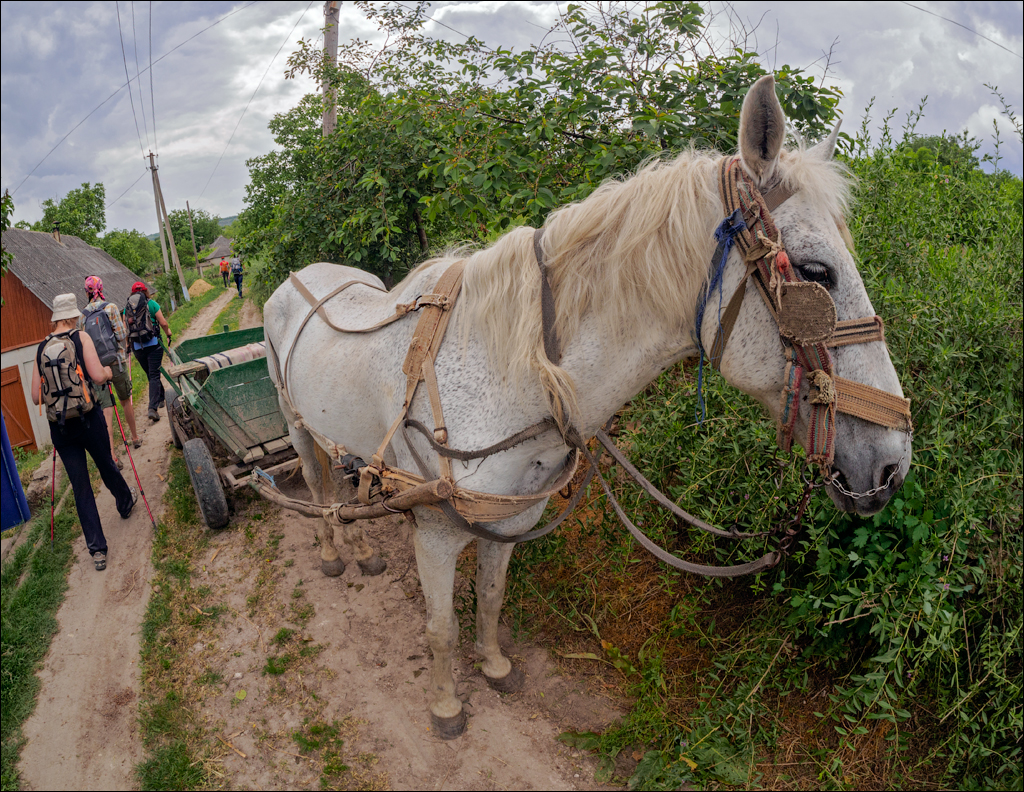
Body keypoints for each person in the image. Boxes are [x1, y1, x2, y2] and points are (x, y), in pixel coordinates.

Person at [32, 294, 137, 572]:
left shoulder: (41, 347)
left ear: (56, 317)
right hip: (88, 417)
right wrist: (103, 371)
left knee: (80, 487)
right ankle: (125, 503)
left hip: (61, 428)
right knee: (105, 465)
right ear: (72, 316)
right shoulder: (81, 338)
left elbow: (34, 396)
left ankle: (97, 550)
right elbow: (98, 375)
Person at [78, 276, 141, 467]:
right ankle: (135, 437)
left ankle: (112, 453)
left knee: (106, 409)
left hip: (97, 368)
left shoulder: (82, 316)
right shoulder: (111, 307)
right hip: (116, 362)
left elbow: (82, 345)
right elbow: (122, 335)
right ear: (101, 288)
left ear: (87, 291)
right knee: (125, 399)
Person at [124, 282, 172, 422]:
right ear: (146, 291)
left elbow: (126, 328)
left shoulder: (127, 308)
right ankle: (152, 408)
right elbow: (163, 323)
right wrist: (168, 333)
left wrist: (127, 344)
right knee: (154, 375)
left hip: (137, 347)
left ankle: (161, 397)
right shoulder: (152, 304)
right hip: (153, 344)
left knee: (151, 374)